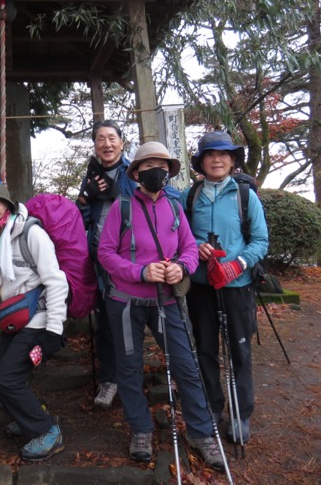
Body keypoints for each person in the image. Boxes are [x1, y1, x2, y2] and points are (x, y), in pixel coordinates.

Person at [97, 142, 224, 470]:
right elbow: (106, 253)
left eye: (162, 165)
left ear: (169, 172)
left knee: (187, 365)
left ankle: (200, 432)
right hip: (125, 302)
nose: (157, 170)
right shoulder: (121, 207)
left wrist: (181, 267)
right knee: (129, 368)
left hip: (167, 299)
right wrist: (140, 270)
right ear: (136, 173)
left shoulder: (174, 206)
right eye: (149, 165)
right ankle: (140, 429)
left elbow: (189, 248)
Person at [77, 120, 181, 410]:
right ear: (95, 146)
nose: (106, 144)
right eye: (100, 139)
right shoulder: (91, 175)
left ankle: (176, 371)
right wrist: (85, 197)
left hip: (146, 262)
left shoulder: (138, 171)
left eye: (112, 138)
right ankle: (111, 379)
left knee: (164, 321)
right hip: (104, 263)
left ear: (122, 143)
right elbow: (80, 219)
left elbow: (165, 198)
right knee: (108, 324)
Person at [0, 182, 68, 461]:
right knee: (1, 376)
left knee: (5, 378)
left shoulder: (31, 233)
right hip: (11, 320)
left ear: (8, 206)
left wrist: (54, 331)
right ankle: (29, 417)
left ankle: (47, 431)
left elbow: (57, 282)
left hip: (37, 320)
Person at [182, 131, 269, 445]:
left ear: (233, 160)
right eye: (209, 155)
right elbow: (178, 237)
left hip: (237, 286)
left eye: (223, 154)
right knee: (204, 348)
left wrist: (238, 264)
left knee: (239, 350)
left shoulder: (245, 196)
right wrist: (195, 246)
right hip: (201, 286)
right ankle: (210, 407)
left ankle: (240, 413)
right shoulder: (190, 197)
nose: (216, 160)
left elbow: (260, 241)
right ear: (201, 162)